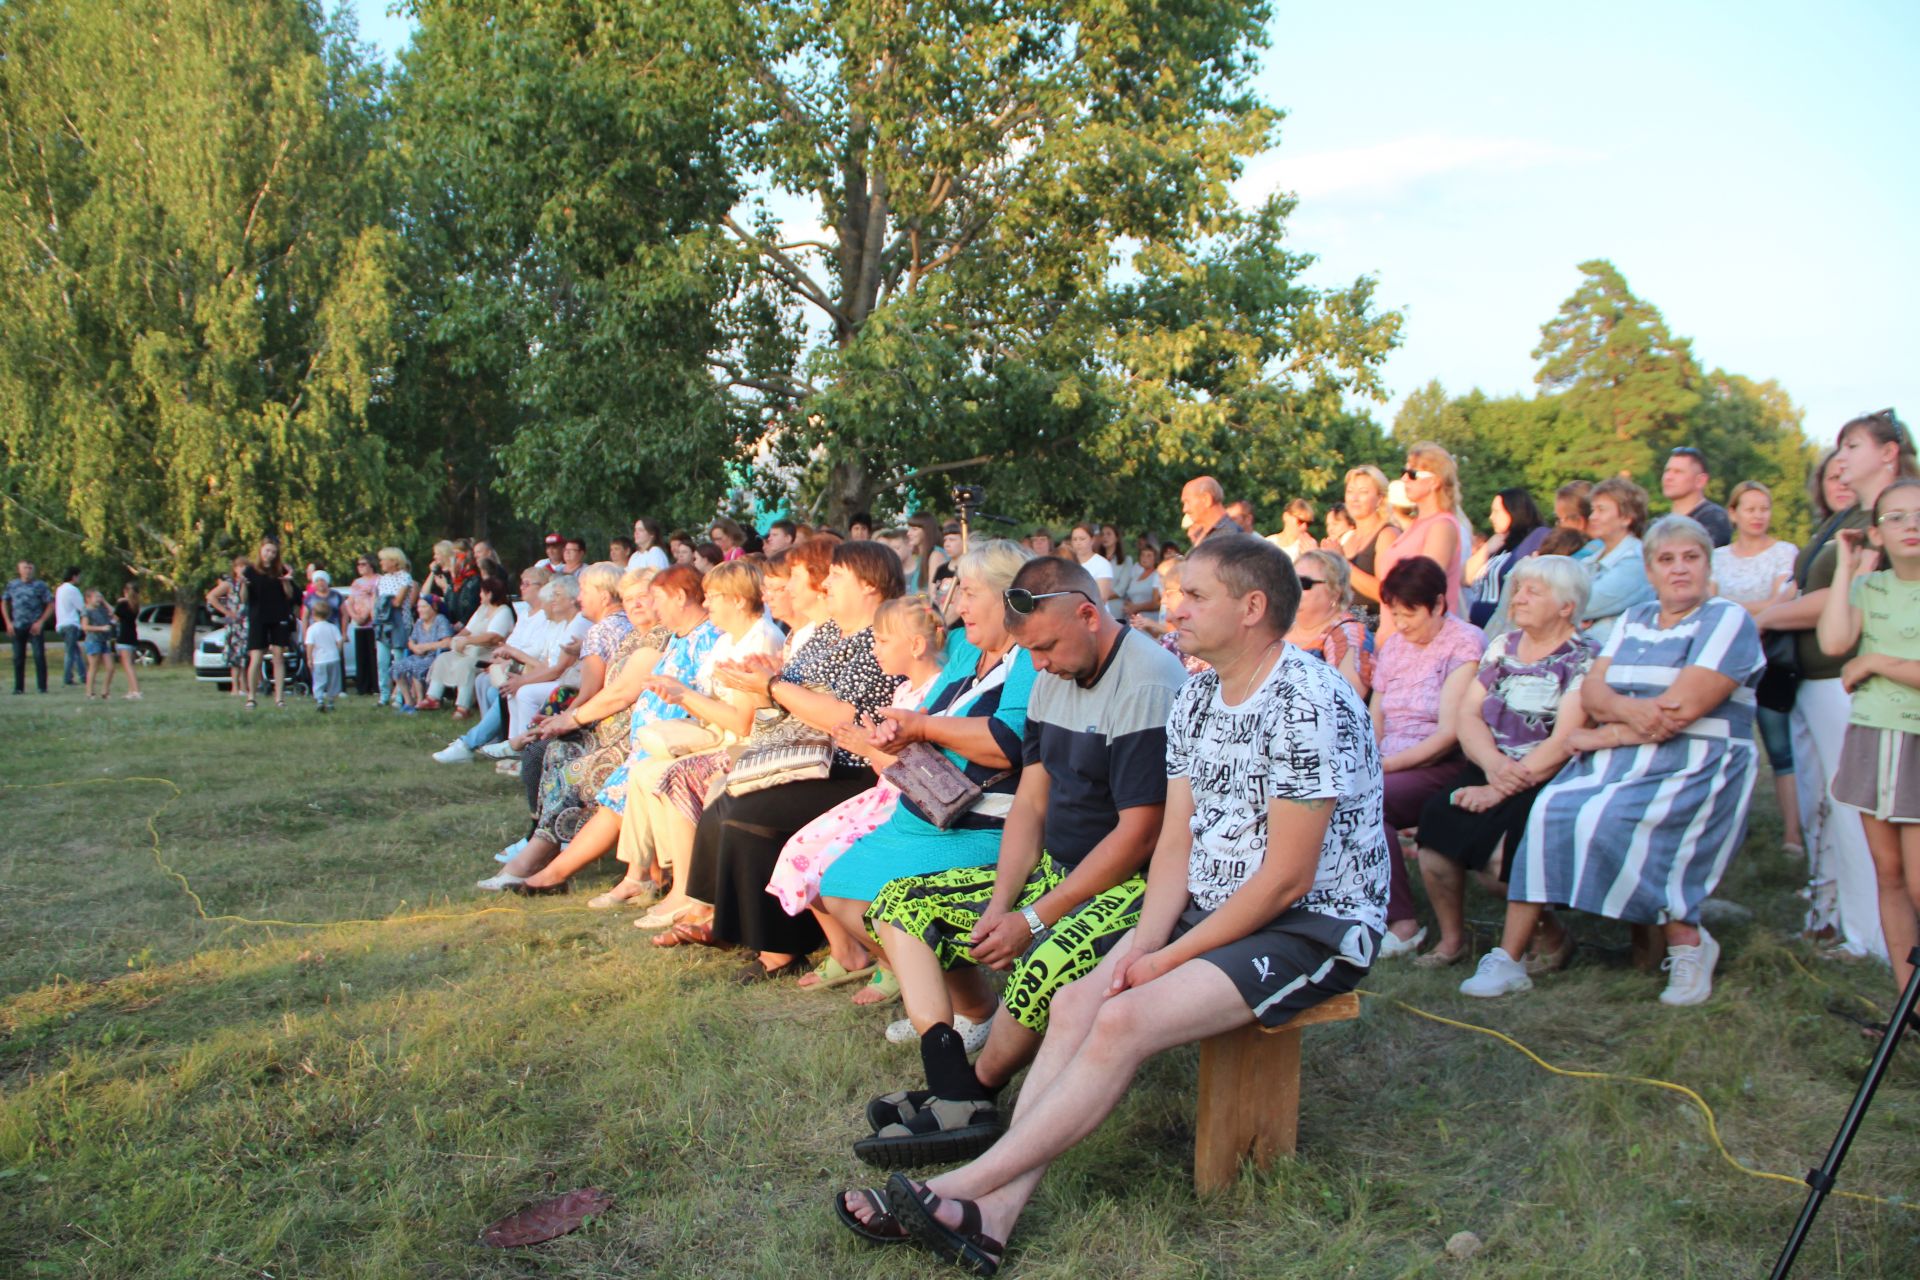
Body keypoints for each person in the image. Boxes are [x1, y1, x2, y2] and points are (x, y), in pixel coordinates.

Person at [835, 535, 1386, 1270]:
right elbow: (1174, 849)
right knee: (1074, 1002)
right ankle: (991, 1215)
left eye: (1195, 596)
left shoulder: (1308, 700)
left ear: (1253, 608)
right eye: (1177, 592)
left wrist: (1162, 958)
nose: (1172, 605)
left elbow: (1287, 880)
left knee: (1121, 1014)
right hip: (1207, 909)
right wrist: (1142, 944)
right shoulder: (1197, 697)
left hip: (1309, 926)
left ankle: (963, 1186)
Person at [847, 553, 1185, 1167]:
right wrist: (1004, 904)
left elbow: (1140, 835)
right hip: (1058, 869)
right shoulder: (1054, 670)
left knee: (1038, 973)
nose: (1039, 665)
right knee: (899, 904)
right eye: (1029, 652)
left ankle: (977, 1096)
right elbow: (1031, 801)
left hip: (1132, 885)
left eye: (1048, 648)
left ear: (1089, 614)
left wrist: (1033, 920)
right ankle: (951, 1086)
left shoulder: (1147, 680)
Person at [1464, 516, 1763, 1005]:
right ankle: (1510, 957)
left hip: (1698, 760)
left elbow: (1685, 708)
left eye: (1691, 557)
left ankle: (1688, 944)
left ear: (1709, 564)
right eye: (1666, 560)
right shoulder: (1635, 618)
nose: (1679, 569)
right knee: (1551, 811)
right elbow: (1595, 691)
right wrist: (1627, 717)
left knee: (1619, 818)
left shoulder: (1727, 618)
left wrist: (1614, 725)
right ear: (1649, 570)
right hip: (1625, 753)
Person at [809, 540, 1038, 1019]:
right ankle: (970, 1006)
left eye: (971, 593)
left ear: (1007, 595)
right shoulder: (967, 655)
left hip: (979, 826)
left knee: (873, 900)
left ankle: (971, 1012)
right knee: (839, 889)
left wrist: (922, 727)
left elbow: (1006, 744)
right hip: (924, 813)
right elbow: (931, 714)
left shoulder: (1026, 660)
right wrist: (897, 730)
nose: (960, 605)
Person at [677, 542, 906, 979]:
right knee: (729, 801)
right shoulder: (828, 632)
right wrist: (766, 676)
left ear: (870, 585)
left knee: (748, 815)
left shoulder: (879, 636)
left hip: (852, 769)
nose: (827, 584)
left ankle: (781, 947)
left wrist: (774, 685)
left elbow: (847, 718)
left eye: (837, 576)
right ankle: (745, 928)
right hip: (810, 758)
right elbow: (791, 686)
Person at [1759, 411, 1916, 959]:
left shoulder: (1896, 521)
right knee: (1833, 805)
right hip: (1826, 678)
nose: (1841, 456)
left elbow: (1845, 604)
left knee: (1861, 814)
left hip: (1863, 692)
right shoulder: (1850, 518)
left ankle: (1870, 935)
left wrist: (1761, 618)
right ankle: (1844, 920)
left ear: (1890, 452)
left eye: (1852, 444)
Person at [1414, 558, 1594, 968]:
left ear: (1567, 606)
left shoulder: (1583, 658)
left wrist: (1499, 787)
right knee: (1436, 830)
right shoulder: (1502, 647)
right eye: (1519, 587)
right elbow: (1468, 715)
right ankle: (1452, 941)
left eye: (1534, 590)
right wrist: (1492, 765)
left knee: (1499, 864)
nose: (1519, 596)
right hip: (1490, 765)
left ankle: (1551, 934)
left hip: (1545, 778)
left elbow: (1565, 738)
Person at [767, 595, 950, 982]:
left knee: (830, 862)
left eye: (882, 640)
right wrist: (867, 746)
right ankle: (846, 948)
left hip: (905, 805)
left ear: (915, 646)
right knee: (800, 849)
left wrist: (868, 746)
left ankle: (891, 964)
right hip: (881, 795)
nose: (873, 647)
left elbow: (915, 772)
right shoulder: (901, 693)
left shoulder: (936, 697)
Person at [1818, 477, 1920, 1013]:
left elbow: (1860, 658)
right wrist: (1845, 569)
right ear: (1878, 532)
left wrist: (1878, 662)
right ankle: (1912, 1009)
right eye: (1897, 517)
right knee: (1889, 875)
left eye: (1919, 514)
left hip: (1918, 744)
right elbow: (1835, 643)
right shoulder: (1871, 588)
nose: (1912, 525)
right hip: (1873, 738)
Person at [1370, 556, 1488, 957]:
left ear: (1438, 604)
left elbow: (1449, 733)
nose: (1401, 624)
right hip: (1389, 761)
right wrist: (1369, 756)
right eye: (1395, 614)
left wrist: (1381, 768)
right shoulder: (1395, 646)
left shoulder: (1464, 642)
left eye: (1410, 614)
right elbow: (1377, 714)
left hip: (1441, 763)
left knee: (1371, 800)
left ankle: (1402, 922)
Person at [1712, 480, 1803, 855]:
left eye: (1763, 508)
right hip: (1728, 661)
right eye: (1749, 508)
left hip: (1774, 661)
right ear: (1733, 513)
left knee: (1781, 749)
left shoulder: (1786, 552)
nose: (1758, 516)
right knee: (1727, 748)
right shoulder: (1717, 556)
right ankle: (1728, 831)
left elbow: (1786, 600)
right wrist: (1764, 606)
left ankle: (1793, 835)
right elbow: (1711, 602)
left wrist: (1741, 606)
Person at [431, 566, 555, 762]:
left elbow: (537, 652)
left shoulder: (546, 617)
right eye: (521, 582)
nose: (521, 587)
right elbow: (511, 643)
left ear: (542, 588)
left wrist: (511, 656)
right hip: (514, 666)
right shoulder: (525, 614)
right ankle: (493, 742)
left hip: (529, 670)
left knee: (500, 692)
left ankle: (470, 743)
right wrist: (504, 657)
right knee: (485, 683)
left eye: (526, 583)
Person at [1374, 443, 1466, 639]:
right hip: (1395, 635)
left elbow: (1424, 587)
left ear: (1435, 482)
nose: (1404, 478)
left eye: (1413, 474)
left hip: (1420, 640)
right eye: (1403, 472)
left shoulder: (1442, 525)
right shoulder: (1416, 525)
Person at [1285, 549, 1372, 699]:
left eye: (1304, 583)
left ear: (1335, 592)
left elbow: (1343, 701)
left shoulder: (1347, 635)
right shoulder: (1278, 627)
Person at [422, 576, 515, 715]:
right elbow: (468, 630)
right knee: (444, 658)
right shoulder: (482, 609)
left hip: (489, 654)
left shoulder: (503, 612)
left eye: (482, 592)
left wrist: (467, 641)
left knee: (467, 665)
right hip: (472, 650)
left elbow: (493, 637)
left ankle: (463, 706)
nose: (479, 595)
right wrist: (457, 639)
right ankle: (433, 697)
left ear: (489, 594)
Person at [1579, 476, 1654, 645]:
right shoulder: (1591, 559)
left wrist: (1571, 616)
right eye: (1593, 510)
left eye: (1601, 510)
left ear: (1627, 517)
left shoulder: (1636, 562)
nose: (1592, 517)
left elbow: (1584, 604)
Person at [1464, 488, 1548, 628]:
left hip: (1504, 629)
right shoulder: (1498, 544)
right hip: (1479, 629)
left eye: (1497, 511)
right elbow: (1465, 578)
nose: (1491, 517)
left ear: (1514, 510)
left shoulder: (1536, 537)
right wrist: (1486, 548)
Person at [243, 539, 298, 709]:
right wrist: (243, 586)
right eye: (267, 551)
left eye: (273, 552)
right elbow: (244, 599)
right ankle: (251, 697)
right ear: (261, 550)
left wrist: (286, 580)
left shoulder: (281, 570)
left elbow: (289, 595)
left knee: (278, 656)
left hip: (278, 615)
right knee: (256, 657)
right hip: (258, 617)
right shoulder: (250, 571)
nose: (270, 555)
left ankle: (279, 698)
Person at [390, 595, 455, 711]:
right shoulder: (419, 622)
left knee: (416, 666)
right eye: (419, 607)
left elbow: (447, 642)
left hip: (435, 657)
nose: (420, 610)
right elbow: (411, 641)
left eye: (424, 607)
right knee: (397, 668)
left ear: (433, 607)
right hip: (418, 655)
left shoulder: (440, 620)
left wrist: (426, 647)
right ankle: (409, 701)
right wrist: (414, 647)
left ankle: (420, 702)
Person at [1661, 447, 1733, 546]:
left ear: (1700, 481)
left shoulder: (1714, 519)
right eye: (1667, 471)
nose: (1668, 477)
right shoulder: (1659, 524)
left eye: (1678, 472)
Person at [372, 548, 417, 706]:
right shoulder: (381, 579)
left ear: (394, 561)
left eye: (384, 559)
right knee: (382, 661)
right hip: (383, 623)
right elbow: (376, 601)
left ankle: (400, 696)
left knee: (398, 661)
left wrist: (383, 602)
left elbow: (398, 601)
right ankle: (384, 695)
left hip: (399, 623)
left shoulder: (404, 577)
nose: (381, 563)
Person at [4, 561, 55, 695]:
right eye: (25, 568)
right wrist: (8, 622)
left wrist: (41, 621)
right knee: (18, 658)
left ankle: (42, 687)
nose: (28, 570)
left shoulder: (40, 585)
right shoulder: (12, 585)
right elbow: (4, 602)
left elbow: (50, 604)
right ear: (19, 569)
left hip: (35, 626)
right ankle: (18, 687)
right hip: (18, 625)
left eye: (30, 568)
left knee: (39, 656)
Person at [343, 554, 379, 696]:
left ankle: (375, 686)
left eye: (363, 564)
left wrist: (366, 615)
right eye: (358, 564)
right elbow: (350, 601)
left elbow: (376, 600)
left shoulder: (378, 580)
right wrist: (355, 616)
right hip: (358, 623)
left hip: (372, 623)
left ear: (371, 565)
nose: (360, 567)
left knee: (373, 656)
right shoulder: (356, 582)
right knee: (361, 655)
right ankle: (362, 687)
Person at [103, 581, 144, 701]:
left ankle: (136, 690)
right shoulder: (135, 605)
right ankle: (131, 690)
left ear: (125, 591)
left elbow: (114, 618)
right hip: (132, 637)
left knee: (127, 665)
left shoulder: (122, 605)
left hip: (123, 637)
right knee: (130, 664)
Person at [305, 598, 344, 712]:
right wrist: (338, 652)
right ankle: (331, 701)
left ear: (313, 614)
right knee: (334, 680)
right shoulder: (333, 627)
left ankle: (320, 699)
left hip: (319, 659)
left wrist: (309, 658)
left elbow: (310, 645)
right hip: (333, 658)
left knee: (319, 680)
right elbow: (339, 641)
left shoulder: (312, 629)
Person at [1179, 476, 1241, 546]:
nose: (1184, 509)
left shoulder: (1228, 536)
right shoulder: (1201, 534)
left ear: (1206, 499)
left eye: (1187, 502)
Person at [1111, 539, 1161, 625]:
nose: (1145, 558)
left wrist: (1136, 607)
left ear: (1155, 559)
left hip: (1147, 622)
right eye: (1143, 555)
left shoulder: (1157, 575)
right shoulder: (1136, 575)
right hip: (1131, 620)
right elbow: (1129, 595)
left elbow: (1157, 603)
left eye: (1149, 556)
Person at [1064, 523, 1116, 603]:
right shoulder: (1067, 564)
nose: (1078, 543)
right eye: (1075, 539)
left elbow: (1102, 598)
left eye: (1082, 539)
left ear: (1092, 540)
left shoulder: (1102, 564)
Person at [80, 588, 114, 698]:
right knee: (94, 666)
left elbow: (113, 612)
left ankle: (105, 691)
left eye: (100, 597)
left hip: (104, 641)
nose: (99, 599)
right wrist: (101, 628)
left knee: (110, 667)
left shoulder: (102, 609)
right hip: (93, 640)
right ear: (88, 599)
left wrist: (104, 601)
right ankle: (89, 692)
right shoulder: (86, 610)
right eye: (96, 597)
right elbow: (85, 626)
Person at [54, 568, 84, 688]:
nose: (80, 578)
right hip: (71, 624)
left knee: (75, 651)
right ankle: (67, 678)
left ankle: (84, 675)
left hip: (61, 623)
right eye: (78, 576)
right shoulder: (73, 590)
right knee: (70, 653)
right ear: (74, 576)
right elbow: (81, 607)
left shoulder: (59, 589)